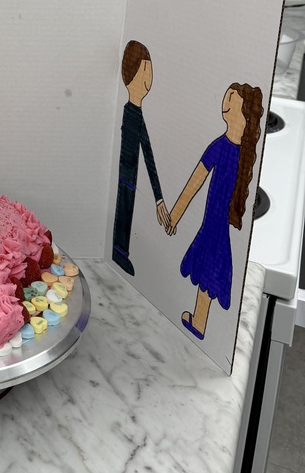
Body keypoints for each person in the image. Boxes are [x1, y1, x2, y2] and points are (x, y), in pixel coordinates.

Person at [167, 83, 263, 340]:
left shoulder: (225, 149)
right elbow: (194, 184)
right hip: (213, 224)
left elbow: (194, 183)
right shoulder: (226, 149)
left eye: (232, 97)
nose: (226, 100)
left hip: (214, 225)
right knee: (209, 267)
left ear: (244, 115)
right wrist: (174, 216)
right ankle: (199, 321)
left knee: (209, 267)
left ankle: (199, 323)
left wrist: (175, 216)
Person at [111, 40, 170, 275]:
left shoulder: (136, 113)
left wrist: (158, 198)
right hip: (126, 176)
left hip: (130, 177)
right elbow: (146, 154)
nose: (149, 77)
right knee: (123, 209)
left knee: (126, 208)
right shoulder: (130, 113)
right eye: (146, 69)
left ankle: (120, 252)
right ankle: (119, 251)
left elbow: (148, 155)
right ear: (132, 72)